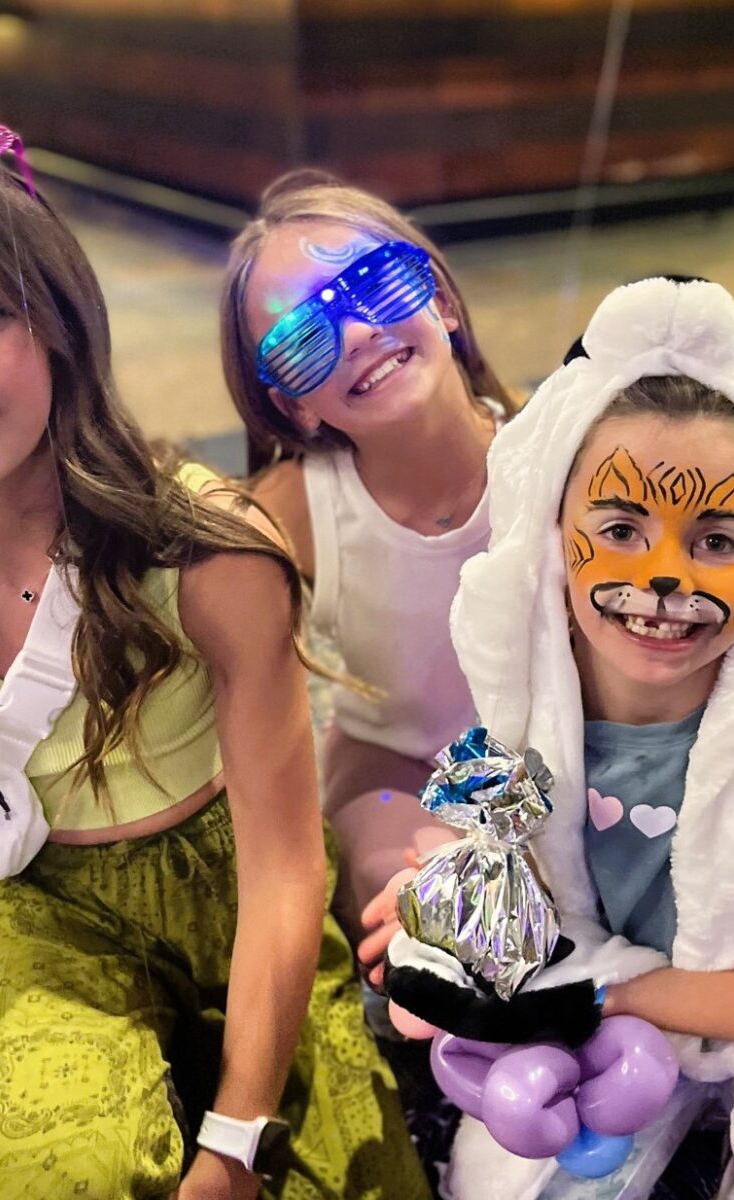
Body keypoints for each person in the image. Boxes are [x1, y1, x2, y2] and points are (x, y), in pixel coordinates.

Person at [0, 125, 430, 1200]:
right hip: (42, 907)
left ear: (62, 323)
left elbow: (281, 865)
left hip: (238, 892)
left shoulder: (205, 552)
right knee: (51, 1170)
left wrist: (236, 1140)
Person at [420, 275, 734, 1197]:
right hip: (609, 1030)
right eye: (619, 526)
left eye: (717, 539)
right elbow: (480, 905)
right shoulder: (519, 728)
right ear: (552, 531)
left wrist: (602, 993)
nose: (661, 578)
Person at [220, 170, 520, 951]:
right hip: (400, 777)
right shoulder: (292, 511)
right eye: (301, 340)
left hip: (563, 754)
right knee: (466, 929)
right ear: (291, 403)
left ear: (443, 303)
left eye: (378, 286)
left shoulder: (557, 449)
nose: (356, 334)